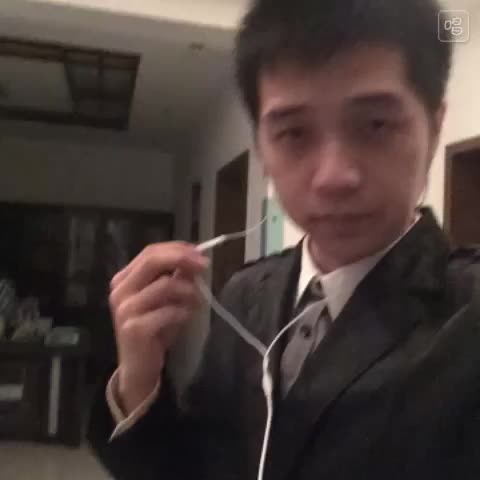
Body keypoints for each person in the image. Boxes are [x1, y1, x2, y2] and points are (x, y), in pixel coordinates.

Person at [88, 0, 480, 479]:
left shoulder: (468, 316)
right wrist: (139, 377)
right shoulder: (244, 295)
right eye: (294, 133)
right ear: (262, 149)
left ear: (434, 128)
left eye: (375, 125)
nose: (333, 177)